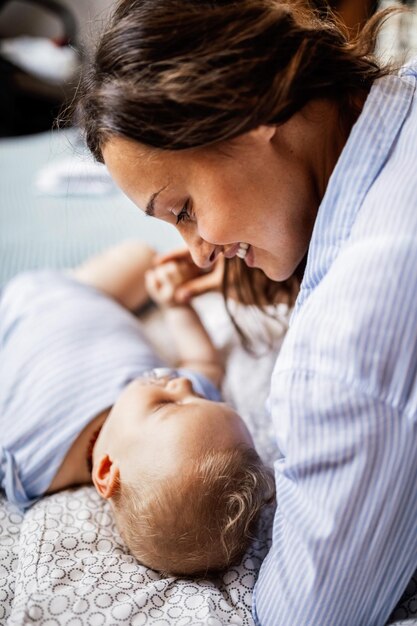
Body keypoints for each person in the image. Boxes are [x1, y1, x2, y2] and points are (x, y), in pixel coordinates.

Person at [77, 0, 417, 623]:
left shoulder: (343, 345)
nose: (200, 254)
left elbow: (308, 614)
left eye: (181, 209)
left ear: (247, 108)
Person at [0, 240, 275, 576]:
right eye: (203, 399)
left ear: (105, 472)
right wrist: (175, 306)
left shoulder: (26, 465)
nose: (183, 384)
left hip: (12, 318)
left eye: (165, 406)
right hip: (89, 292)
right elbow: (204, 363)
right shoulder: (185, 418)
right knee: (144, 259)